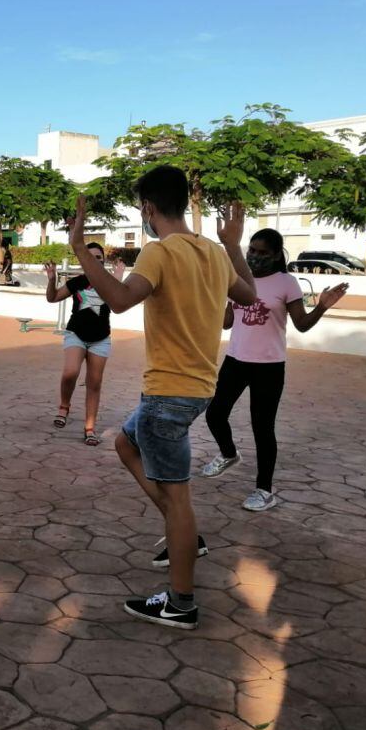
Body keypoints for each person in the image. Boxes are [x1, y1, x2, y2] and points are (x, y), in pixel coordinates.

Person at [66, 166, 256, 629]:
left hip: (167, 394)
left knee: (179, 499)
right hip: (196, 391)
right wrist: (233, 243)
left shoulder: (159, 251)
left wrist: (79, 250)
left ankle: (181, 601)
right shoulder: (211, 251)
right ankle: (186, 536)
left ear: (148, 209)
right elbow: (247, 294)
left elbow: (118, 299)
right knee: (124, 444)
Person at [202, 228, 348, 511]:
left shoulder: (286, 283)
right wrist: (219, 295)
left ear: (276, 255)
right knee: (215, 413)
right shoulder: (238, 278)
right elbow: (226, 323)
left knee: (262, 428)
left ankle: (264, 489)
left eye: (262, 253)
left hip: (269, 366)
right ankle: (229, 454)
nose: (255, 257)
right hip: (235, 360)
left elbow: (302, 324)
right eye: (252, 251)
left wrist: (322, 307)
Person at [44, 244, 125, 445]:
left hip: (100, 339)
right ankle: (64, 406)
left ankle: (89, 429)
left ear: (103, 260)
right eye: (91, 257)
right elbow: (52, 298)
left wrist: (118, 279)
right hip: (76, 334)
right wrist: (52, 280)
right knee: (71, 372)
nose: (95, 260)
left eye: (99, 257)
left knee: (94, 383)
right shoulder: (78, 282)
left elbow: (118, 307)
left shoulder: (110, 282)